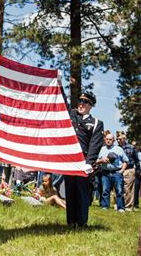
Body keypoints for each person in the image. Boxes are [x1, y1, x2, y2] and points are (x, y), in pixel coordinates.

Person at [65, 92, 104, 227]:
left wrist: (89, 162)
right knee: (70, 191)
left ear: (90, 105)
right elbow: (61, 102)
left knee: (82, 192)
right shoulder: (71, 115)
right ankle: (71, 221)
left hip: (83, 161)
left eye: (85, 102)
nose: (81, 104)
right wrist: (58, 85)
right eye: (80, 101)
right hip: (70, 160)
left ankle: (81, 222)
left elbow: (95, 144)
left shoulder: (96, 123)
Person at [95, 133, 128, 212]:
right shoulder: (101, 149)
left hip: (116, 172)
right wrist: (101, 160)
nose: (108, 141)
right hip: (105, 173)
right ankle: (105, 206)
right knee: (105, 191)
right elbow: (96, 161)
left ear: (113, 140)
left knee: (119, 191)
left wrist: (122, 170)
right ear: (105, 139)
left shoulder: (119, 149)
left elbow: (125, 161)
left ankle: (120, 208)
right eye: (107, 139)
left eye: (110, 139)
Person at [116, 131, 138, 211]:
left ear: (124, 139)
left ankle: (128, 206)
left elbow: (136, 160)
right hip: (119, 170)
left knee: (128, 189)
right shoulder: (116, 148)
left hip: (129, 170)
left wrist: (138, 170)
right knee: (119, 189)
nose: (118, 141)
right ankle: (120, 204)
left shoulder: (131, 147)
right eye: (117, 139)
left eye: (120, 139)